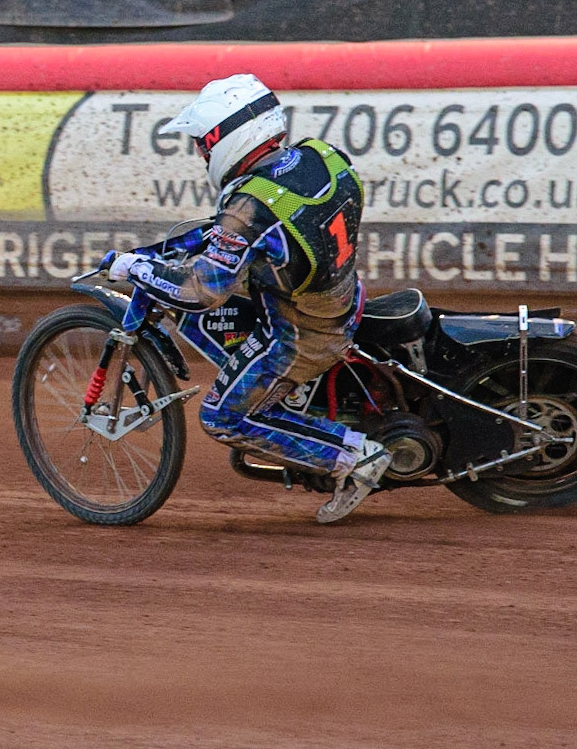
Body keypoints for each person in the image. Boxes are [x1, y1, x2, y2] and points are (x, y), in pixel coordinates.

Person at [106, 73, 388, 523]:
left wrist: (135, 267)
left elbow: (200, 293)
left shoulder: (250, 208)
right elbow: (257, 230)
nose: (201, 154)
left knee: (220, 416)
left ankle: (355, 458)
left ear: (227, 137)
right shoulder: (321, 157)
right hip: (339, 295)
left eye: (203, 143)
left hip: (301, 332)